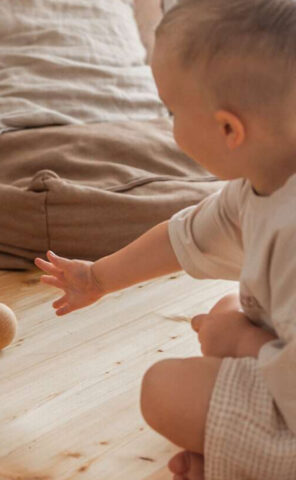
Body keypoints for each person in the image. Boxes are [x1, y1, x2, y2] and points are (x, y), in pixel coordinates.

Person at [35, 1, 296, 478]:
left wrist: (241, 342)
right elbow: (186, 237)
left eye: (172, 110)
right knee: (222, 313)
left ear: (228, 129)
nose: (168, 123)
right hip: (284, 362)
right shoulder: (259, 184)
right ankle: (229, 451)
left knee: (162, 389)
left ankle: (240, 462)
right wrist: (96, 277)